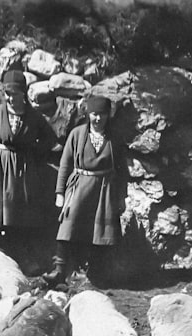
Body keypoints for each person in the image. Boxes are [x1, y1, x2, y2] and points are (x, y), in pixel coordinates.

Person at [43, 95, 129, 288]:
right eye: (94, 114)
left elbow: (123, 171)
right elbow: (65, 164)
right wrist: (60, 193)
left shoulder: (114, 139)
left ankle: (93, 275)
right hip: (79, 186)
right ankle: (59, 271)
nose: (98, 119)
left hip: (104, 190)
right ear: (88, 114)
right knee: (68, 226)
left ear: (108, 116)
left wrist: (121, 197)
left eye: (102, 115)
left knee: (99, 231)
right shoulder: (77, 134)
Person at [0, 69, 57, 254]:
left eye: (15, 94)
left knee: (20, 210)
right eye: (7, 94)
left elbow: (49, 140)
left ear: (24, 93)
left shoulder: (34, 116)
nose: (11, 98)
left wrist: (33, 152)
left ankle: (21, 255)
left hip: (23, 167)